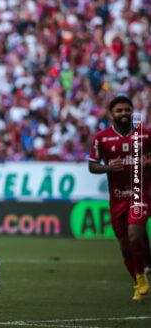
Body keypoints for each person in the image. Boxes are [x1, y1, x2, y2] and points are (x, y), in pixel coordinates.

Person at [89, 95, 151, 301]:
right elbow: (92, 165)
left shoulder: (145, 135)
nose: (124, 113)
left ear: (132, 112)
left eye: (127, 110)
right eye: (119, 110)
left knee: (134, 234)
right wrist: (107, 167)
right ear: (111, 114)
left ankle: (143, 271)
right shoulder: (102, 138)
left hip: (140, 192)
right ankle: (138, 280)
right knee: (125, 246)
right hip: (117, 198)